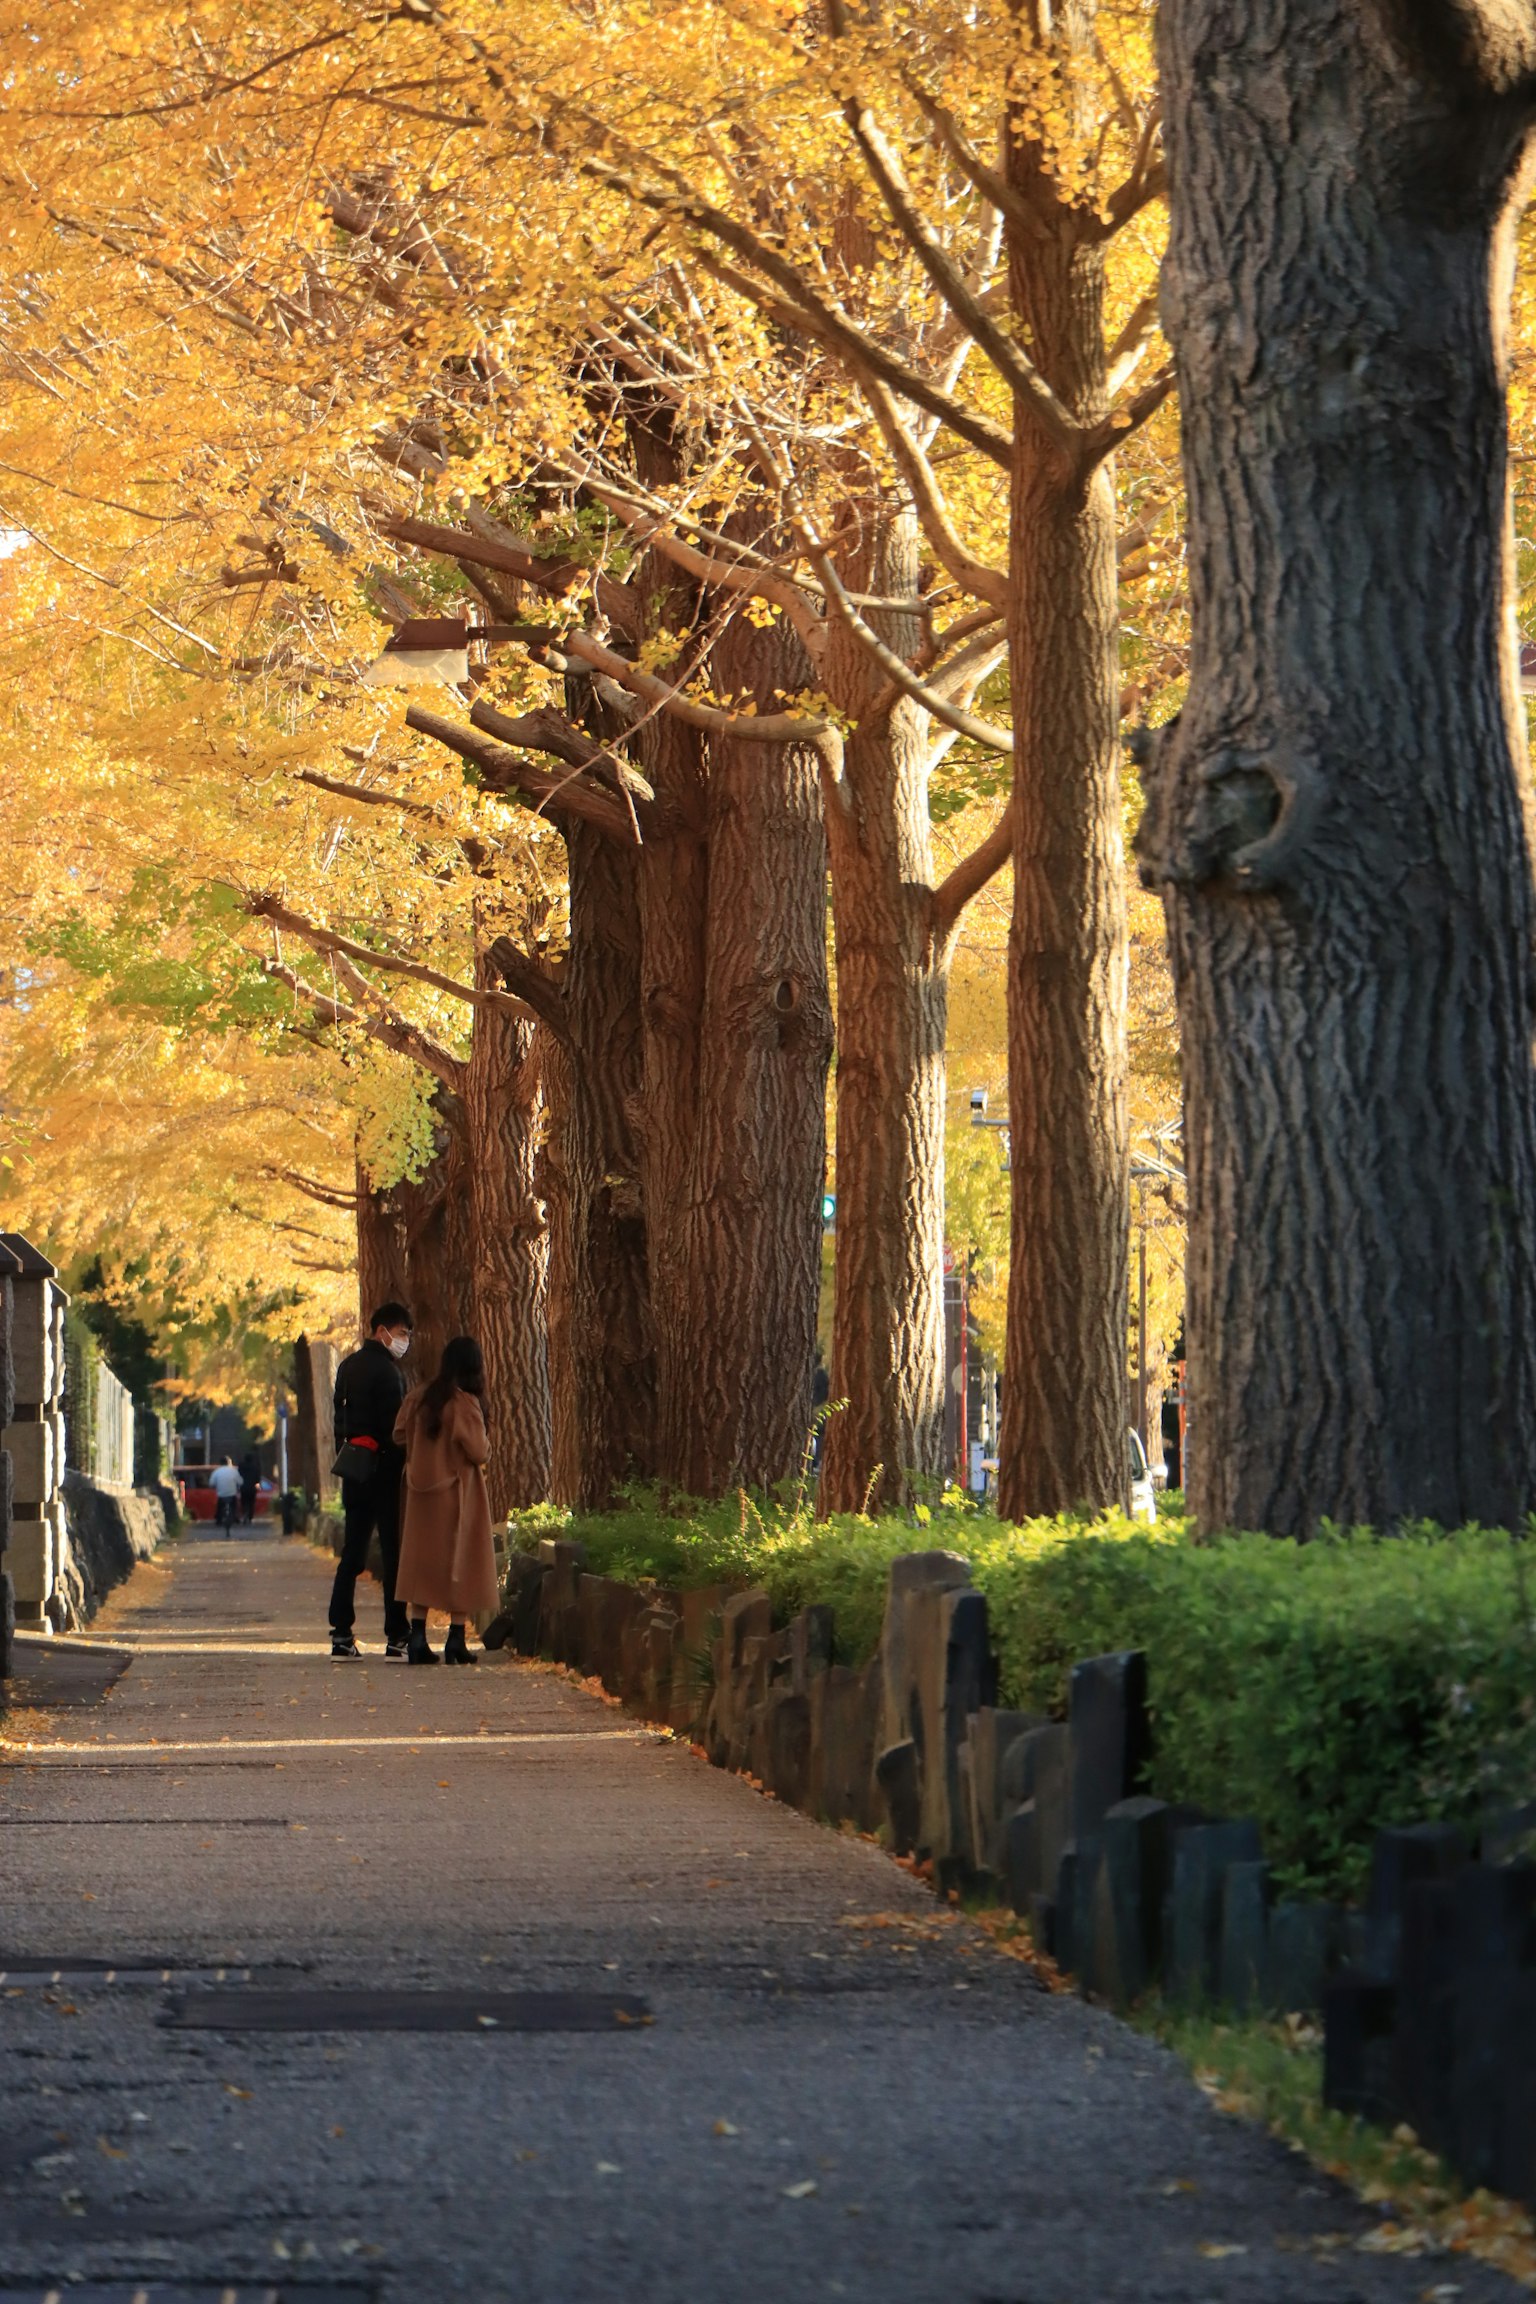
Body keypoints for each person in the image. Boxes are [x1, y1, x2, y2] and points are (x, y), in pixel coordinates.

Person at [393, 1335, 498, 1666]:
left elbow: (397, 1434)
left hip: (419, 1495)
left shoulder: (419, 1397)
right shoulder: (464, 1403)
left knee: (420, 1562)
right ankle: (456, 1639)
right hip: (458, 1493)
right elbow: (479, 1452)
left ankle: (417, 1637)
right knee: (461, 1560)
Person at [328, 1301, 413, 1661]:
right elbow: (395, 1429)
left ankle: (341, 1632)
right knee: (392, 1551)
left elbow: (339, 1419)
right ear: (383, 1332)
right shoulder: (389, 1373)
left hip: (354, 1469)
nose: (405, 1340)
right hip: (385, 1472)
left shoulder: (347, 1366)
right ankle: (397, 1634)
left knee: (353, 1551)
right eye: (403, 1333)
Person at [209, 1455, 241, 1535]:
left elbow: (211, 1483)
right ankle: (235, 1517)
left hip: (221, 1495)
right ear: (229, 1463)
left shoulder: (216, 1471)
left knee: (219, 1507)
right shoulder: (234, 1471)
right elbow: (240, 1482)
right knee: (234, 1506)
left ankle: (218, 1520)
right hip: (232, 1494)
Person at [238, 1449, 261, 1526]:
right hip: (252, 1487)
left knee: (244, 1502)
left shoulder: (241, 1466)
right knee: (251, 1503)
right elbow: (258, 1478)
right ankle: (250, 1517)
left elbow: (238, 1475)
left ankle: (244, 1514)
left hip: (243, 1487)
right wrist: (257, 1484)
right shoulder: (255, 1467)